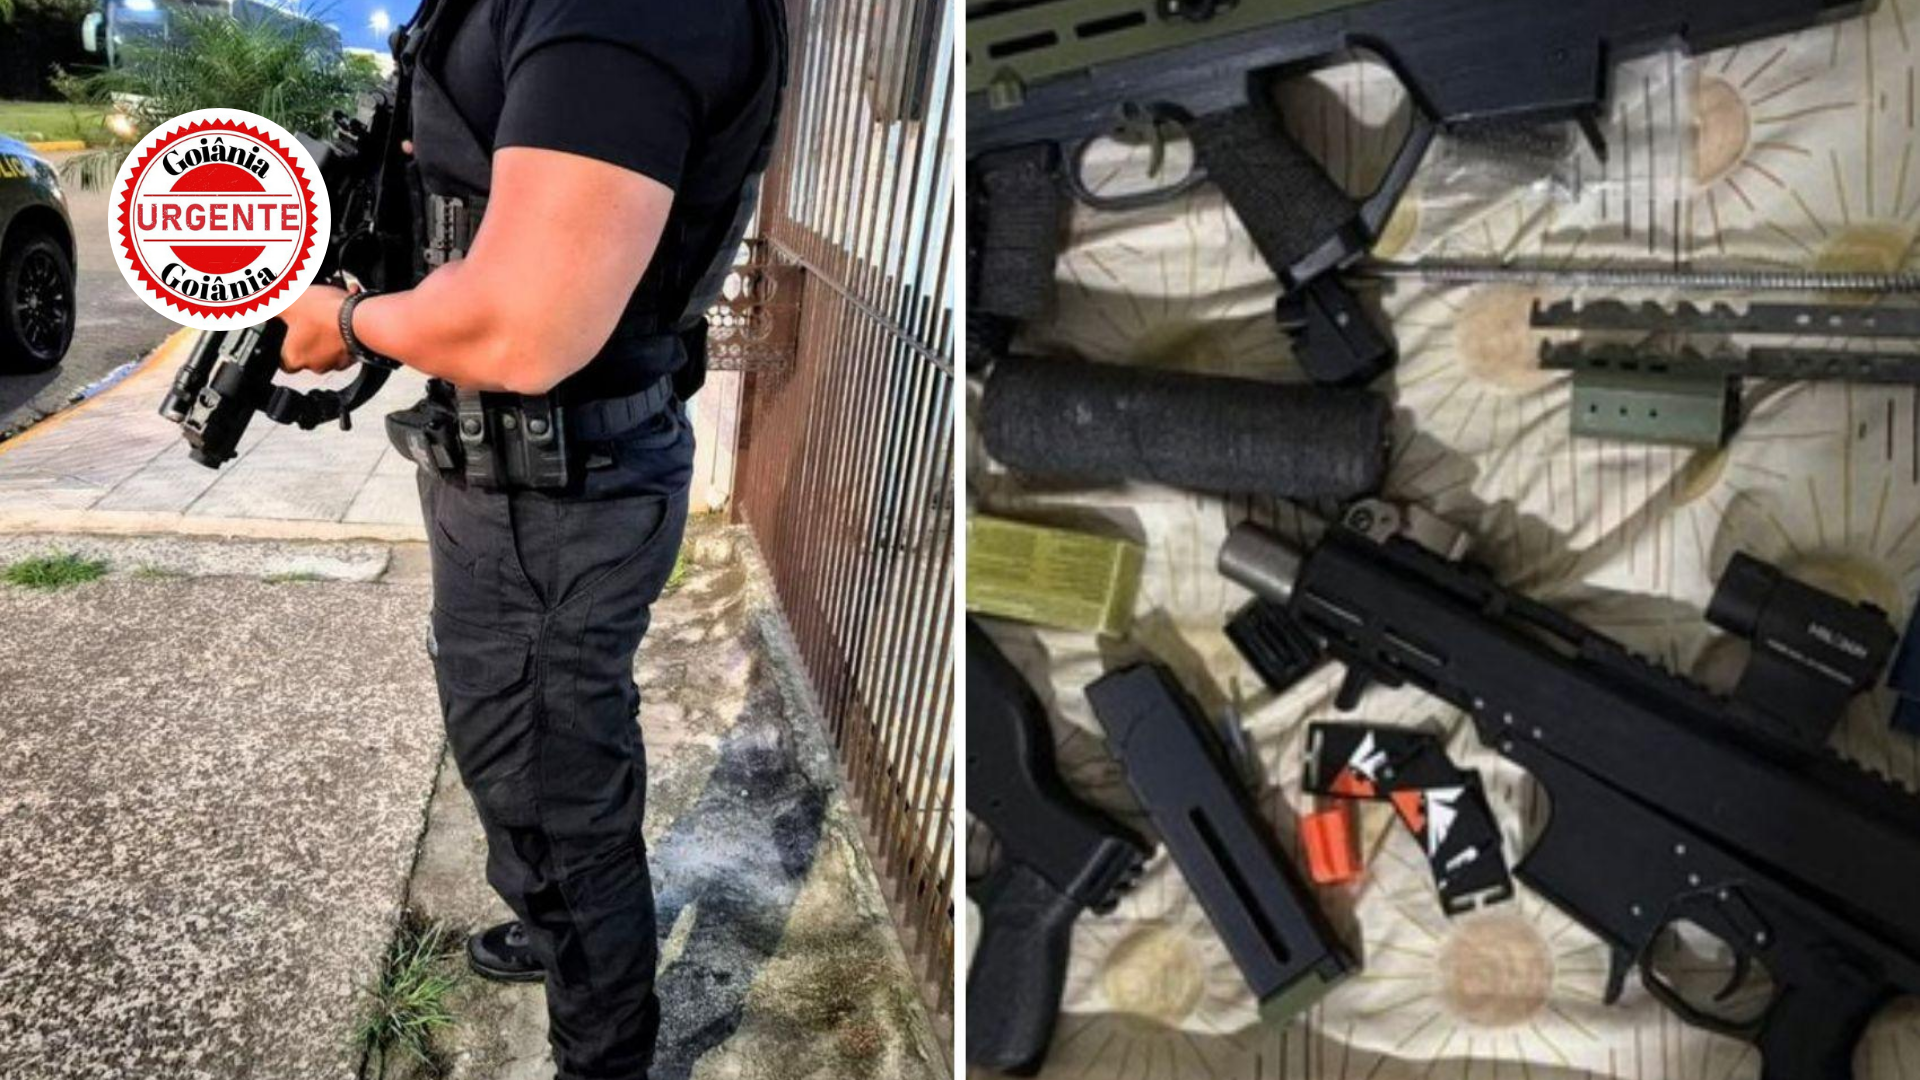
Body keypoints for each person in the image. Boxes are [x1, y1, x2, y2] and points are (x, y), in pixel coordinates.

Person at [274, 0, 787, 1074]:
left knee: (553, 790)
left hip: (555, 494)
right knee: (531, 755)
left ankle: (604, 1043)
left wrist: (349, 325)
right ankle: (565, 937)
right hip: (520, 477)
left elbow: (523, 326)